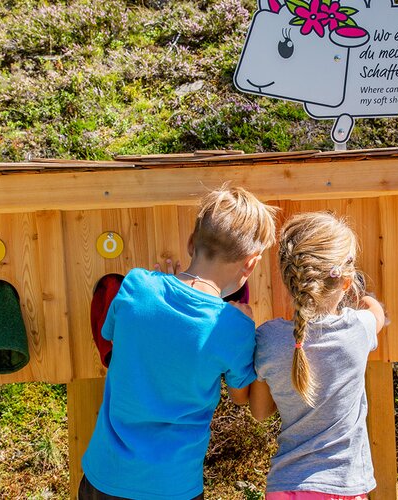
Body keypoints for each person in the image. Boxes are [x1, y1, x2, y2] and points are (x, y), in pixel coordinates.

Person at [80, 185, 278, 500]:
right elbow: (241, 398)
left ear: (190, 242)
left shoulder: (136, 285)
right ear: (251, 264)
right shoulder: (234, 327)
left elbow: (111, 336)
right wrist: (242, 322)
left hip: (105, 477)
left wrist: (159, 283)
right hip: (173, 487)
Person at [249, 212, 386, 500]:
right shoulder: (356, 330)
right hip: (342, 487)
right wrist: (366, 297)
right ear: (346, 281)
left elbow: (261, 412)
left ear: (288, 278)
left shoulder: (268, 339)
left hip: (285, 487)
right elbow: (377, 314)